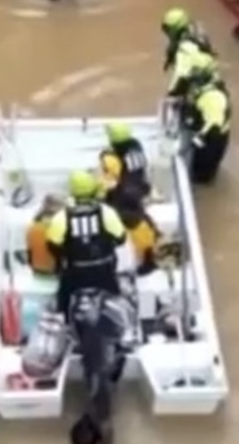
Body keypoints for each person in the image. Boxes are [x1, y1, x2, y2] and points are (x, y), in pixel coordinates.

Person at [43, 171, 129, 313]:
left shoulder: (61, 217)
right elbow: (121, 238)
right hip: (104, 271)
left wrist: (68, 254)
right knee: (115, 305)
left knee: (63, 303)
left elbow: (52, 244)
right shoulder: (107, 212)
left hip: (74, 273)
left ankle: (64, 318)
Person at [97, 122, 159, 270]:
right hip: (140, 188)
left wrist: (102, 194)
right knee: (139, 216)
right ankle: (151, 243)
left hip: (125, 193)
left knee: (122, 220)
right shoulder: (136, 147)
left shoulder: (112, 157)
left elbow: (110, 179)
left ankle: (141, 257)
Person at [185, 74, 232, 184]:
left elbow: (214, 125)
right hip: (215, 134)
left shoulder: (211, 98)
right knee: (202, 167)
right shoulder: (208, 93)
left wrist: (198, 138)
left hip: (213, 138)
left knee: (203, 172)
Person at [26, 194, 67, 276]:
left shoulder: (33, 226)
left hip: (37, 269)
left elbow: (29, 253)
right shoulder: (57, 226)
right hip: (54, 271)